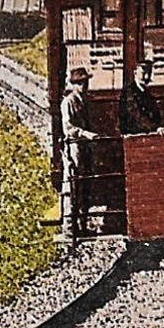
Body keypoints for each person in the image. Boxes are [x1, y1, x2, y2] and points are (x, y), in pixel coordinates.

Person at [59, 66, 99, 234]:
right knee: (73, 185)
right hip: (74, 147)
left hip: (85, 147)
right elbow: (68, 127)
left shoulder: (86, 101)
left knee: (85, 186)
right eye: (80, 83)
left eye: (85, 82)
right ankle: (70, 226)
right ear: (73, 84)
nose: (83, 86)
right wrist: (85, 133)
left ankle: (82, 224)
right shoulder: (68, 102)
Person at [119, 55, 164, 136]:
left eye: (149, 73)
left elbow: (156, 115)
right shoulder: (128, 93)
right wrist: (155, 128)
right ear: (135, 72)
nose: (146, 76)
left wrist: (161, 126)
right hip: (133, 137)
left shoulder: (147, 93)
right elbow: (137, 116)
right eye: (143, 72)